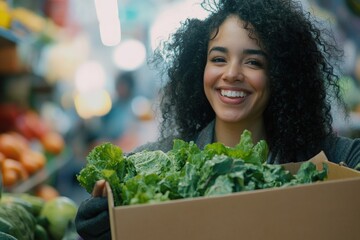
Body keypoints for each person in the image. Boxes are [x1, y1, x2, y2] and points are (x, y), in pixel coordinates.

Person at [75, 0, 360, 239]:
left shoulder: (331, 158)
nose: (232, 73)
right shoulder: (157, 161)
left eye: (253, 62)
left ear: (281, 76)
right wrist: (104, 219)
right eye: (219, 59)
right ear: (201, 68)